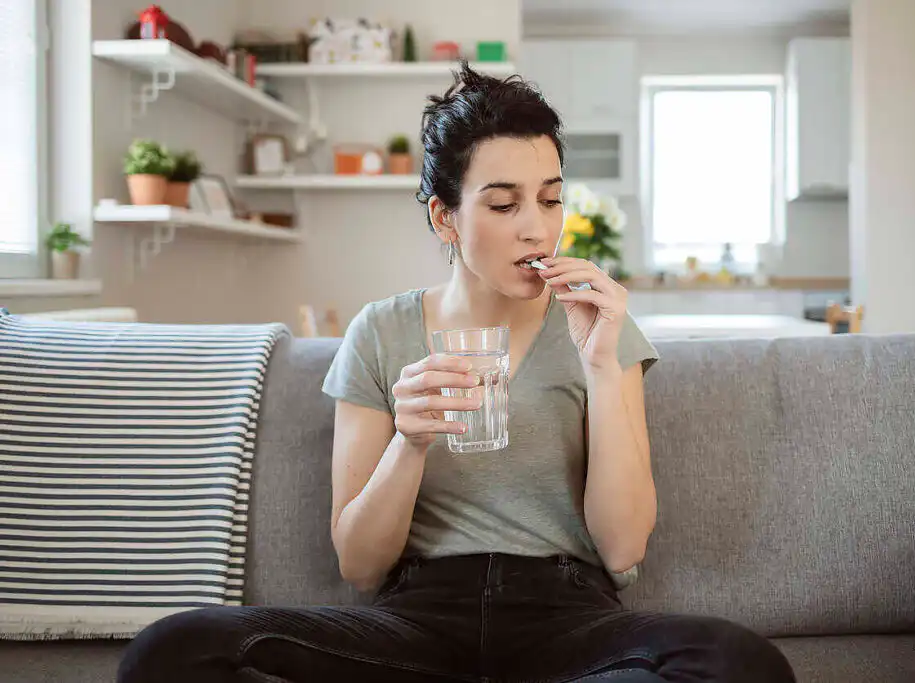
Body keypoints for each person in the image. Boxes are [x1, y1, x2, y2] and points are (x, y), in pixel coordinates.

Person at [118, 64, 795, 683]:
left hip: (568, 617)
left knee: (743, 663)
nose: (538, 229)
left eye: (551, 199)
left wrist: (602, 368)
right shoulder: (380, 332)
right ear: (445, 217)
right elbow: (359, 565)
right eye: (504, 205)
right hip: (414, 619)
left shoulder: (599, 326)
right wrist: (408, 443)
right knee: (171, 649)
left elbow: (621, 549)